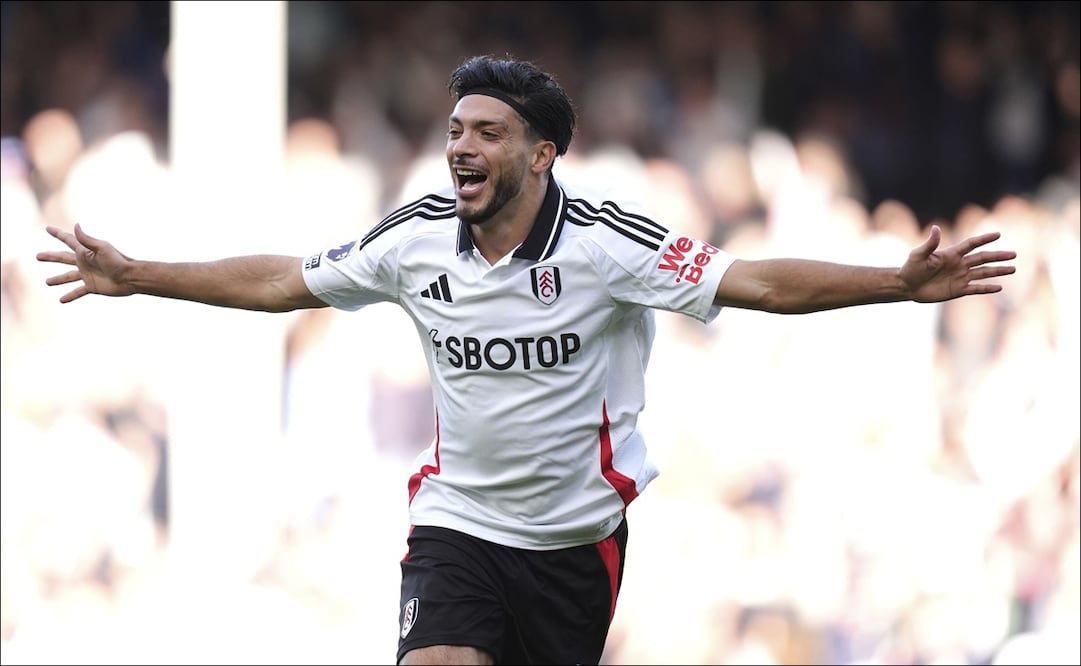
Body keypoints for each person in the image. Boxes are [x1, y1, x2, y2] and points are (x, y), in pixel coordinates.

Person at [36, 54, 1017, 665]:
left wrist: (897, 283)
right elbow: (284, 282)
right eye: (457, 129)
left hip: (572, 546)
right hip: (457, 522)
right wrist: (140, 274)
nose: (461, 147)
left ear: (541, 155)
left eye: (487, 134)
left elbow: (754, 284)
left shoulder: (611, 246)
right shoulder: (413, 238)